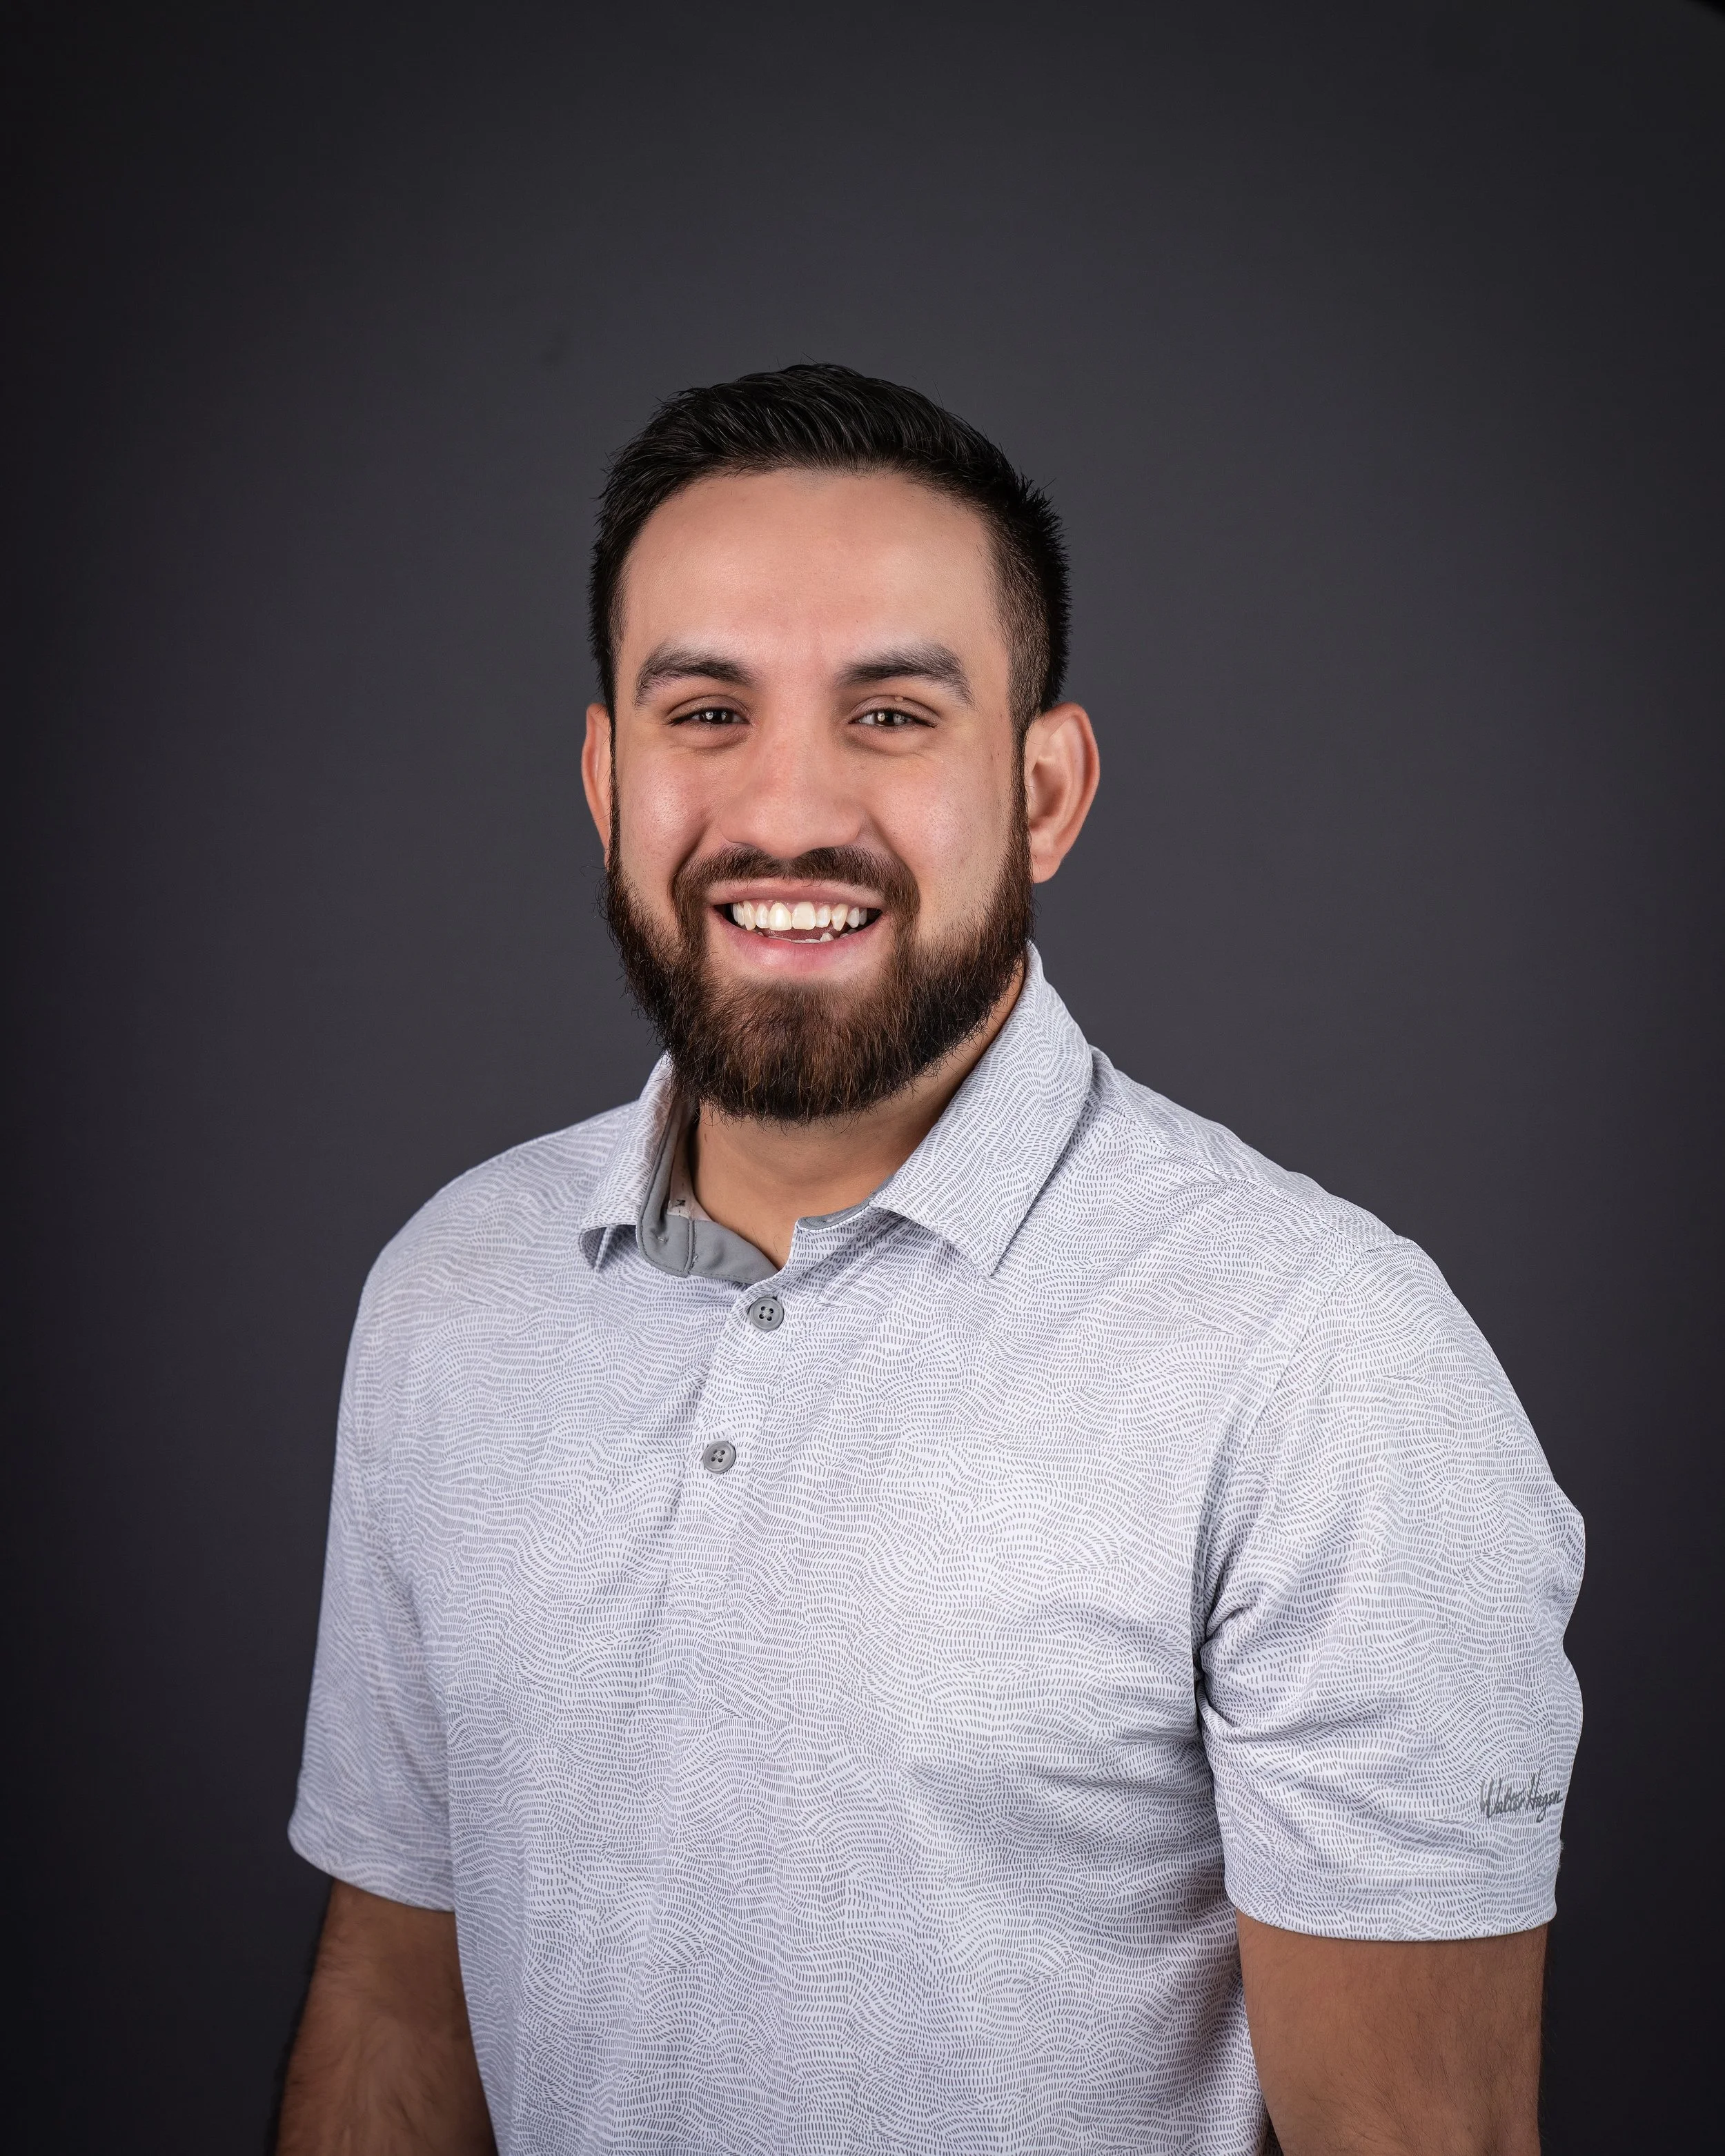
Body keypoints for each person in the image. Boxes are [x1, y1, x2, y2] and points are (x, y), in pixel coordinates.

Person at [279, 364, 1583, 2156]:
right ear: (606, 776)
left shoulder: (1325, 1358)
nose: (787, 806)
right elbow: (393, 1991)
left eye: (890, 712)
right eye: (706, 711)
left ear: (1042, 790)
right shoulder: (449, 1289)